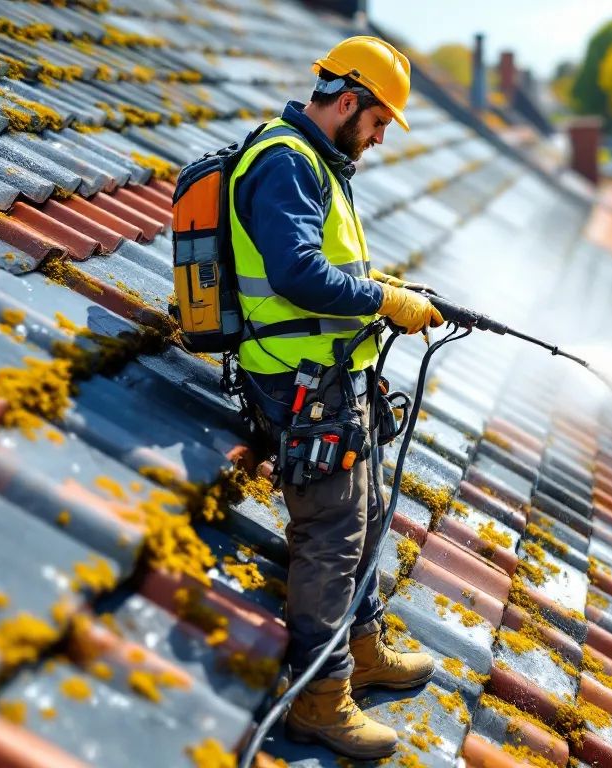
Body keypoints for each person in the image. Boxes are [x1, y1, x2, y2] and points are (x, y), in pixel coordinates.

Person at [228, 36, 441, 759]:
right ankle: (321, 697)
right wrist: (384, 299)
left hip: (330, 377)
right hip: (295, 381)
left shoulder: (319, 162)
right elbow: (297, 274)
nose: (381, 138)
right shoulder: (286, 163)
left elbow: (335, 266)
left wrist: (395, 295)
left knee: (373, 509)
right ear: (348, 101)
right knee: (333, 534)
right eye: (379, 122)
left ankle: (364, 645)